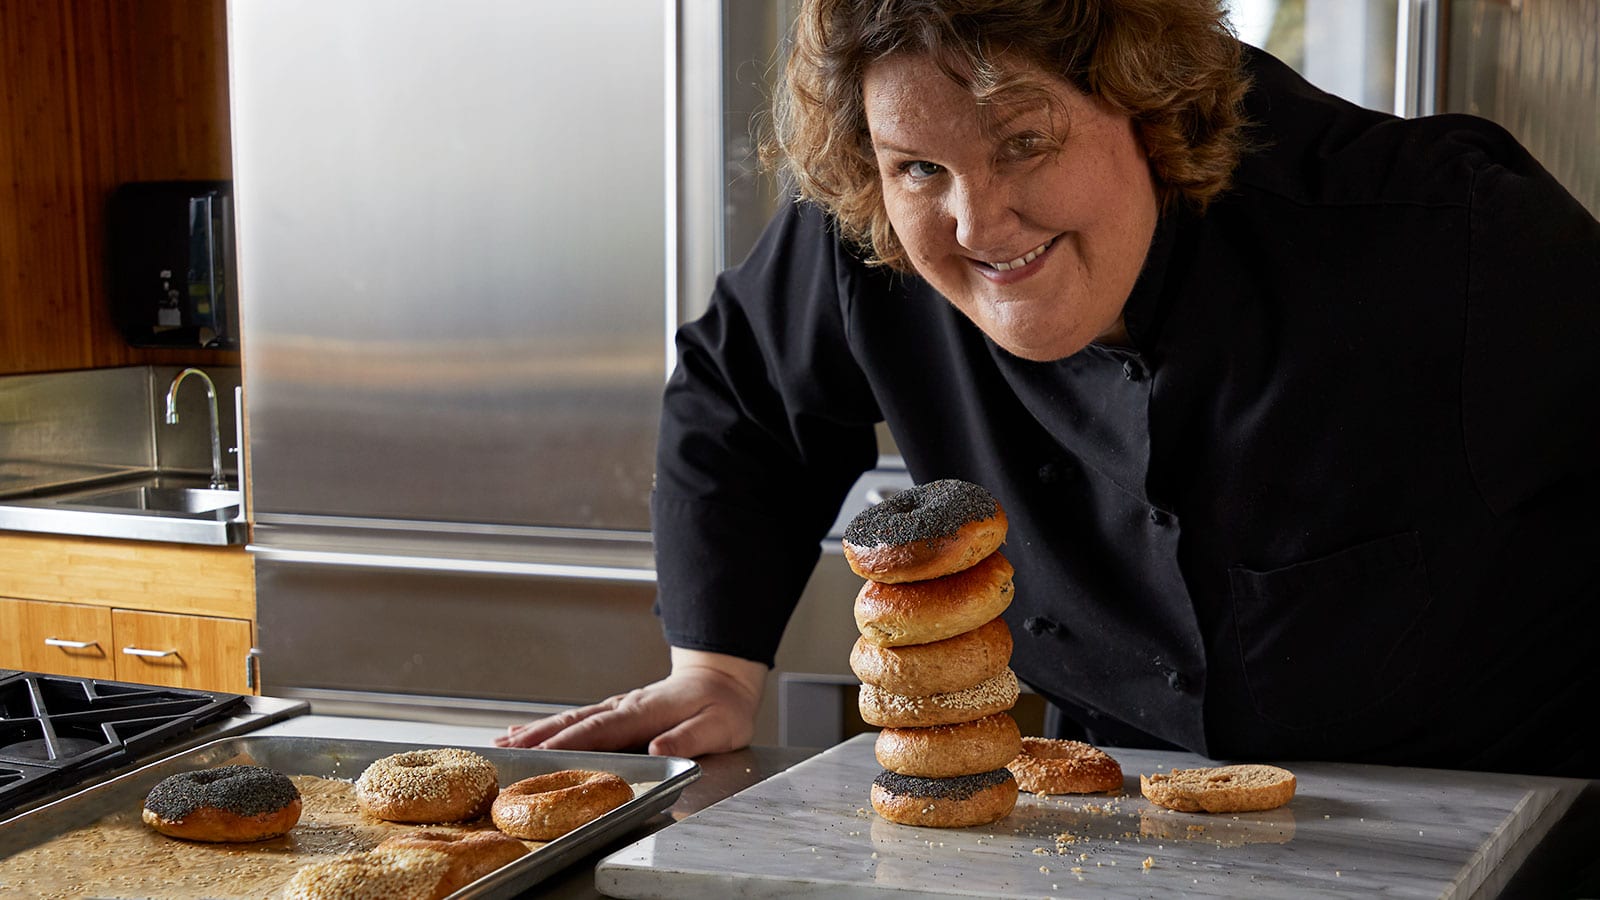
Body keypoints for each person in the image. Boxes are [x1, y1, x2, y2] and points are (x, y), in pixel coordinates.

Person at [498, 0, 1600, 782]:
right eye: (919, 168)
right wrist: (715, 668)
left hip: (1494, 820)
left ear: (1149, 112)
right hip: (1110, 814)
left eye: (1023, 142)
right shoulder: (871, 234)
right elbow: (739, 394)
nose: (978, 225)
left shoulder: (1446, 238)